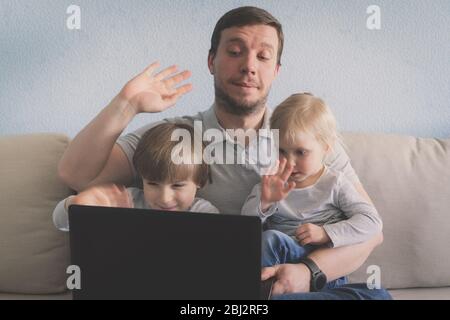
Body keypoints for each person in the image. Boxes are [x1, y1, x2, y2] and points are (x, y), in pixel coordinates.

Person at [57, 6, 390, 299]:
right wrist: (126, 105)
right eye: (234, 51)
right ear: (211, 61)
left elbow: (371, 234)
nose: (248, 65)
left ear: (276, 71)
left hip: (288, 277)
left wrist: (307, 272)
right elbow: (75, 174)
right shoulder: (177, 139)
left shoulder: (304, 142)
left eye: (263, 56)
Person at [242, 93, 383, 270]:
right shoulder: (271, 183)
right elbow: (245, 228)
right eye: (282, 151)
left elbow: (372, 222)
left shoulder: (335, 183)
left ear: (326, 147)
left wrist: (326, 233)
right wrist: (264, 202)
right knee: (267, 241)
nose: (290, 162)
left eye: (301, 152)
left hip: (320, 264)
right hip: (276, 260)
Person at [53, 123, 218, 231]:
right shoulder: (127, 201)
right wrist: (75, 205)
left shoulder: (204, 212)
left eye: (177, 186)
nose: (165, 198)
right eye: (153, 183)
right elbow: (61, 223)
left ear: (200, 181)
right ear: (142, 178)